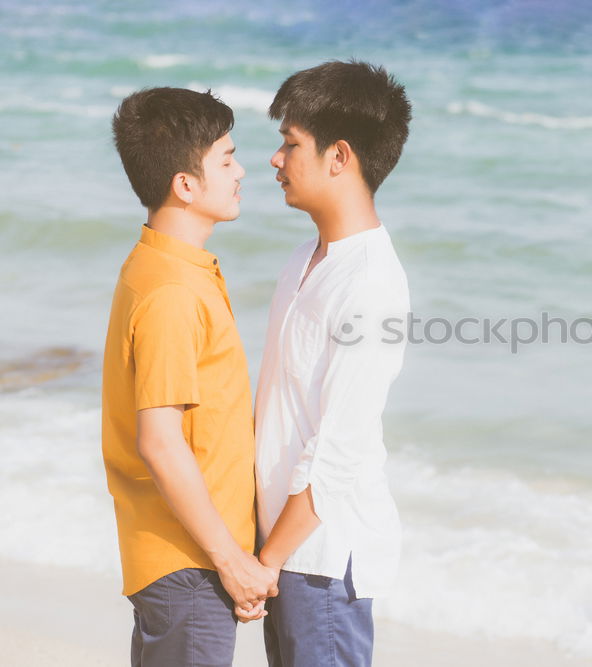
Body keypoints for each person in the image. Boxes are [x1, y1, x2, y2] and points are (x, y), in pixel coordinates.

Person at [102, 87, 278, 667]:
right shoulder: (174, 291)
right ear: (185, 183)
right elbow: (159, 440)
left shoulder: (162, 264)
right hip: (190, 564)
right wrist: (232, 561)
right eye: (226, 159)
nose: (242, 170)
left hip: (183, 557)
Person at [250, 60, 412, 666]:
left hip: (321, 565)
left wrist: (266, 564)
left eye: (291, 144)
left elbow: (337, 452)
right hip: (284, 554)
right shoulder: (304, 259)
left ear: (339, 156)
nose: (275, 159)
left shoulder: (370, 285)